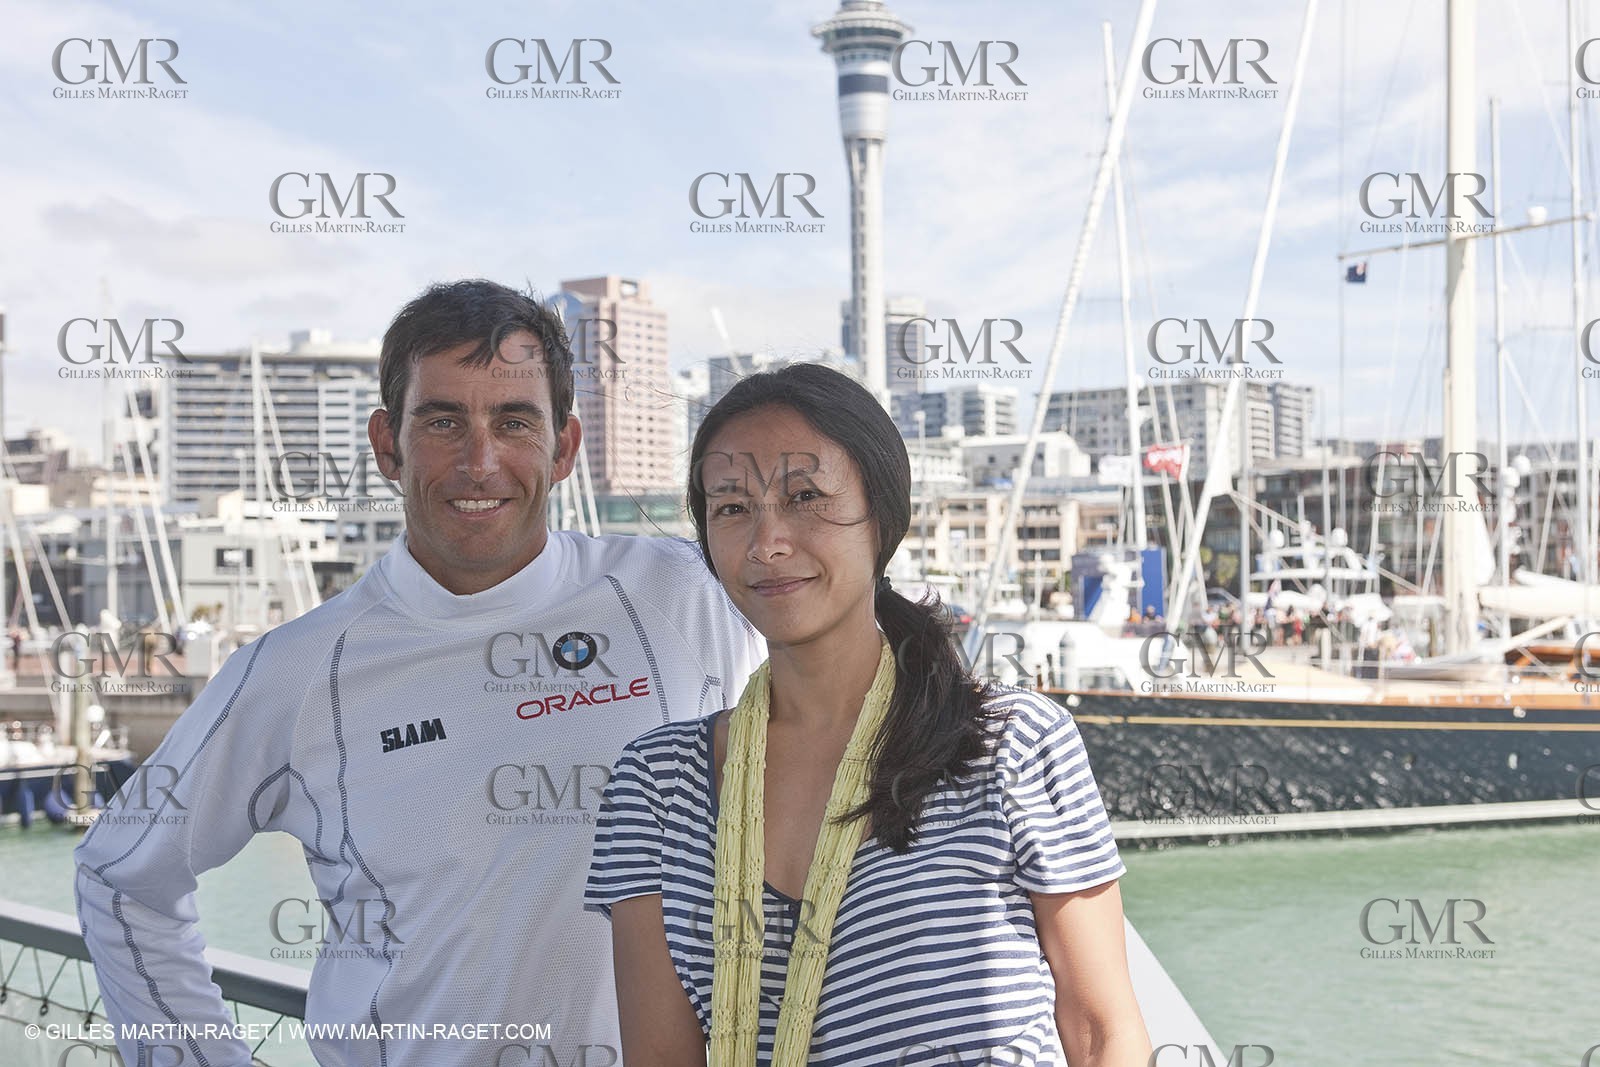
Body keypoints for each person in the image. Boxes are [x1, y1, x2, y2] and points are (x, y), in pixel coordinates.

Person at [74, 280, 765, 1067]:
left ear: (564, 447)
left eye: (514, 421)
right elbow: (119, 873)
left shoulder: (684, 593)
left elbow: (848, 701)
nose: (480, 461)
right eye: (442, 421)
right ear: (386, 446)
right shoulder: (301, 669)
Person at [586, 364, 1149, 1066]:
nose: (767, 543)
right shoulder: (654, 786)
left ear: (881, 516)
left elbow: (1103, 1035)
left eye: (805, 497)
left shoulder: (1010, 745)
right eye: (731, 507)